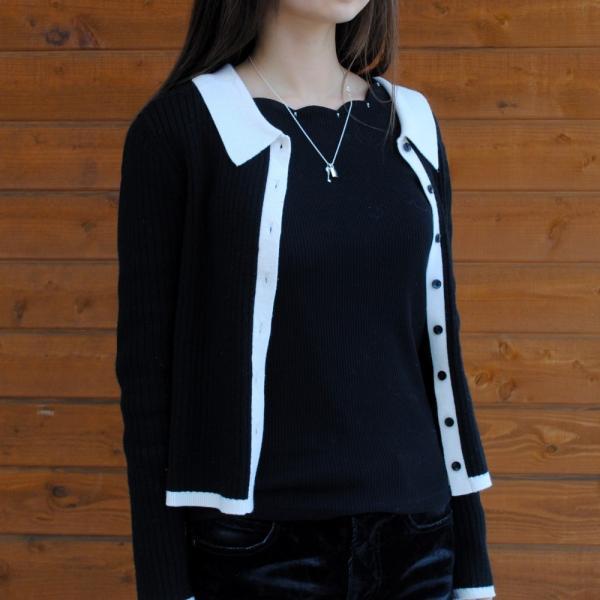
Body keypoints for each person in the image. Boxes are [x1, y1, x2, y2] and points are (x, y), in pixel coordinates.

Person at [115, 1, 496, 599]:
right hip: (254, 552)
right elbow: (147, 382)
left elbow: (439, 351)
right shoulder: (181, 130)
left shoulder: (412, 124)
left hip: (420, 543)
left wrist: (472, 569)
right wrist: (166, 586)